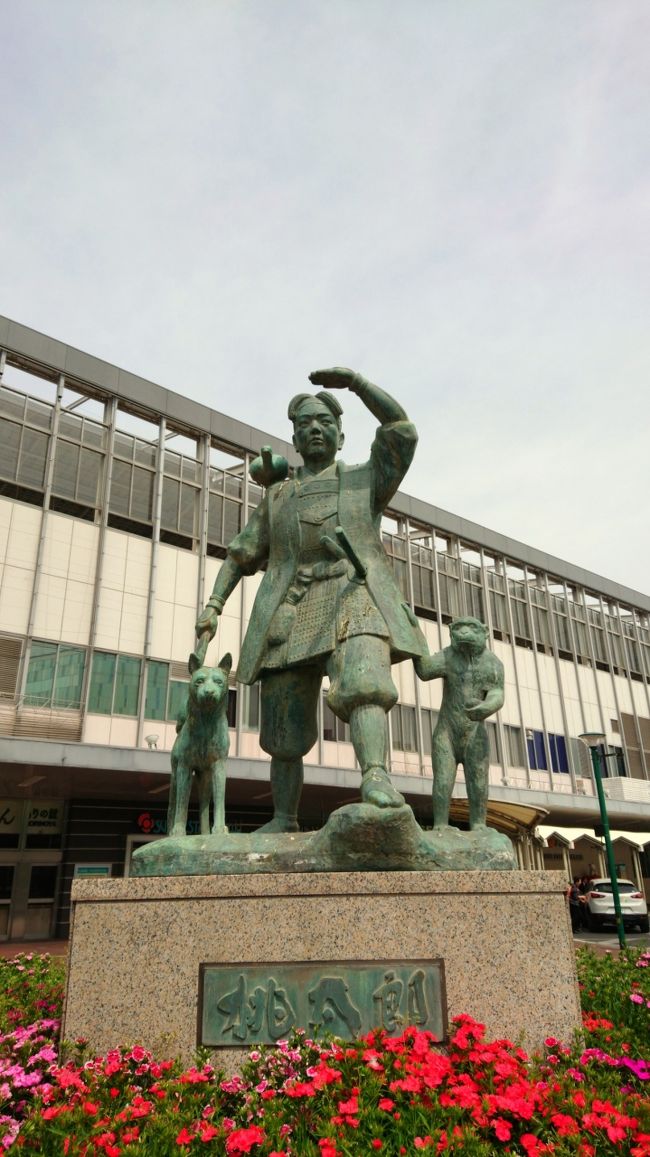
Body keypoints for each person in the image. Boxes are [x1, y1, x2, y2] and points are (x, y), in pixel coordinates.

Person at [195, 367, 428, 832]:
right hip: (291, 606)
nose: (315, 429)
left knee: (364, 684)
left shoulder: (365, 480)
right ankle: (284, 816)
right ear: (295, 440)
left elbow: (402, 432)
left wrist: (358, 385)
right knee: (284, 725)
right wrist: (213, 607)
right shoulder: (278, 497)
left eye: (324, 422)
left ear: (341, 436)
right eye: (304, 424)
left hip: (353, 590)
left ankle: (376, 777)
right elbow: (241, 554)